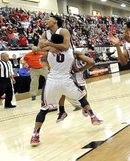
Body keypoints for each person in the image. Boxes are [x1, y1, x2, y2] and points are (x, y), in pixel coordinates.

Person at [30, 15, 101, 146]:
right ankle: (92, 116)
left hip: (52, 80)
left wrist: (47, 46)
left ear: (55, 21)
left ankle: (35, 135)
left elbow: (44, 47)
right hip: (66, 78)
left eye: (48, 19)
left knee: (44, 109)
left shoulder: (61, 36)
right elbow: (48, 46)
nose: (46, 21)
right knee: (82, 97)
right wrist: (49, 46)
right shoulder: (70, 52)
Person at [56, 50, 96, 122]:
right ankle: (63, 111)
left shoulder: (74, 53)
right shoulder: (60, 52)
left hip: (76, 75)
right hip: (68, 74)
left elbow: (92, 62)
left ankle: (86, 110)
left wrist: (80, 69)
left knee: (81, 91)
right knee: (63, 91)